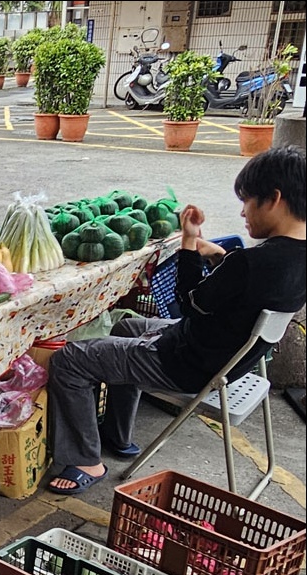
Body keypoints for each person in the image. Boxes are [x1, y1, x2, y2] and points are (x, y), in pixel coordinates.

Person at [45, 145, 306, 494]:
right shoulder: (291, 259)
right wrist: (219, 257)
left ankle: (85, 460)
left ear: (274, 199)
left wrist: (188, 241)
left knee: (69, 361)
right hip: (230, 359)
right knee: (125, 326)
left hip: (187, 362)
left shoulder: (249, 264)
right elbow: (248, 291)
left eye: (247, 201)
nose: (243, 212)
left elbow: (187, 300)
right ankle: (117, 435)